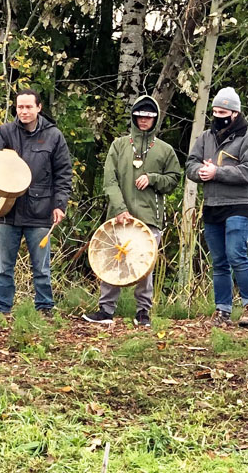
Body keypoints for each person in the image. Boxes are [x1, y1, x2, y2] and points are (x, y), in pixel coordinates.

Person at [82, 95, 182, 327]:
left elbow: (175, 178)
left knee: (144, 265)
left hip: (149, 218)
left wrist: (154, 178)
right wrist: (119, 209)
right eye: (140, 115)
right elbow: (109, 180)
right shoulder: (119, 145)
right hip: (119, 217)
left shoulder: (165, 150)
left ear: (155, 118)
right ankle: (106, 310)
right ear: (133, 116)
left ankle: (143, 313)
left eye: (149, 116)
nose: (144, 120)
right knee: (112, 262)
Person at [0, 88, 73, 319]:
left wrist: (59, 205)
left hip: (40, 211)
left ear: (39, 108)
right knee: (3, 267)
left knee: (41, 268)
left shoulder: (54, 136)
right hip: (8, 211)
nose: (23, 111)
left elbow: (63, 174)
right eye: (20, 106)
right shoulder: (4, 132)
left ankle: (44, 309)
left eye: (28, 107)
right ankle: (2, 310)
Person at [185, 87, 248, 327]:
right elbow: (190, 163)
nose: (217, 115)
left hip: (240, 204)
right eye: (215, 111)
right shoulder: (205, 137)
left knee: (236, 254)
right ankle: (222, 310)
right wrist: (199, 172)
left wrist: (217, 172)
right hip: (212, 203)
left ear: (234, 113)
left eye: (222, 111)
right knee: (219, 260)